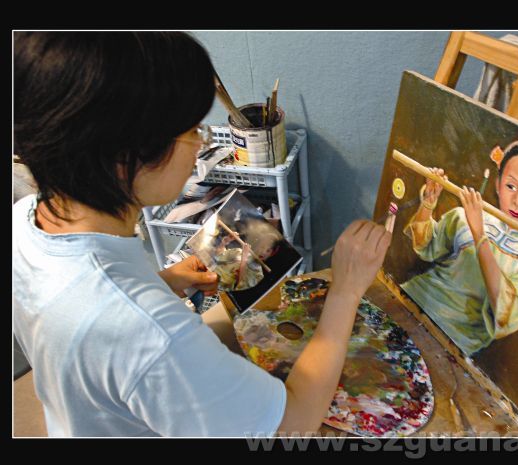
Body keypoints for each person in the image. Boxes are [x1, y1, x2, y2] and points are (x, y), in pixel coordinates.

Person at [13, 32, 391, 437]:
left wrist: (159, 284)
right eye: (193, 131)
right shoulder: (149, 335)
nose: (200, 145)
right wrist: (346, 291)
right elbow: (292, 425)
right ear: (128, 156)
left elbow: (85, 308)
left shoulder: (26, 219)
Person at [401, 138, 518, 356]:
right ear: (498, 184)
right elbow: (425, 247)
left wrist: (479, 235)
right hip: (409, 300)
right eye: (510, 186)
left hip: (450, 343)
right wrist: (428, 202)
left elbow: (504, 313)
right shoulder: (466, 215)